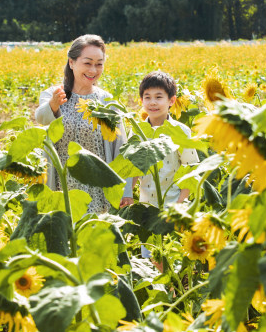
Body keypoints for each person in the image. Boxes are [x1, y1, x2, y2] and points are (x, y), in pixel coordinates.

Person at [35, 34, 128, 213]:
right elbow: (41, 117)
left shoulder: (106, 101)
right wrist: (53, 105)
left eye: (99, 64)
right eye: (87, 63)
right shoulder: (54, 94)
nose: (93, 70)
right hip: (60, 185)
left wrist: (125, 189)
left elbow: (120, 145)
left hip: (97, 188)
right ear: (71, 62)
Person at [135, 71, 199, 208]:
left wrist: (179, 206)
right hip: (145, 208)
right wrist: (127, 194)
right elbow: (133, 168)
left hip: (173, 205)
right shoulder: (137, 131)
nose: (152, 102)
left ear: (171, 100)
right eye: (147, 97)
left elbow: (191, 171)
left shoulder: (181, 131)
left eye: (158, 97)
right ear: (141, 101)